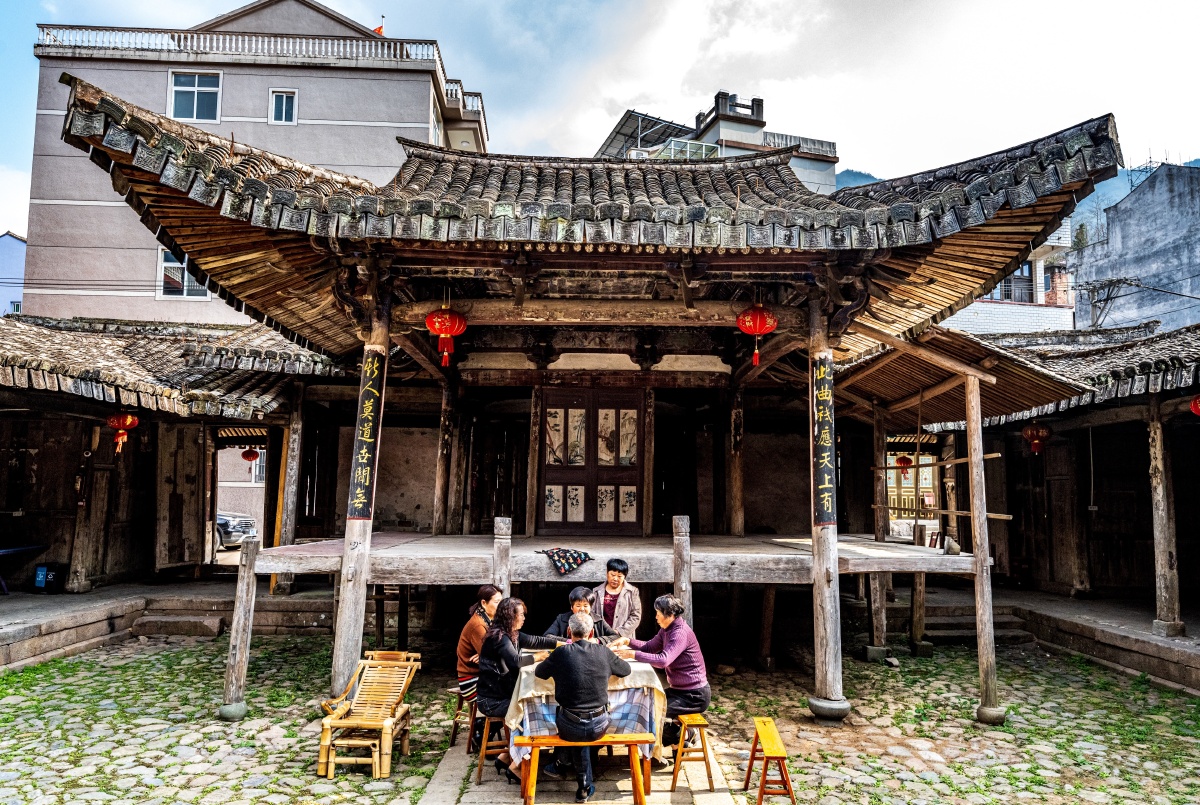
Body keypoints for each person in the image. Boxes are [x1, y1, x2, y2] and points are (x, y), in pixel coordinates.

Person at [535, 613, 631, 803]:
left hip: (569, 725)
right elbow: (626, 670)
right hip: (599, 724)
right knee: (586, 729)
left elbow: (540, 672)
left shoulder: (561, 653)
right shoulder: (603, 652)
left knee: (578, 729)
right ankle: (582, 782)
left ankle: (571, 771)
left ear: (569, 632)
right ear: (592, 632)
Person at [477, 597, 561, 781]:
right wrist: (537, 658)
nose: (523, 618)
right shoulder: (499, 637)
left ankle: (506, 757)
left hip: (504, 695)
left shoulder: (512, 634)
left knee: (533, 707)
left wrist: (563, 644)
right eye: (521, 614)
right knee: (531, 712)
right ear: (510, 616)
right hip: (491, 701)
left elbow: (536, 640)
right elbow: (516, 663)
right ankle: (517, 765)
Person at [615, 594, 709, 753]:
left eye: (659, 613)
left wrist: (633, 655)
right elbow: (650, 647)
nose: (656, 616)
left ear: (670, 615)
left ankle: (683, 737)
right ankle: (682, 739)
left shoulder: (680, 633)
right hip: (679, 691)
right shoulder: (667, 629)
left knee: (653, 711)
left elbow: (663, 660)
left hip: (694, 696)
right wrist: (627, 641)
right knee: (647, 703)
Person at [456, 584, 503, 703]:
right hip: (472, 682)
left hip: (483, 677)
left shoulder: (488, 619)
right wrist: (486, 655)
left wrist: (484, 654)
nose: (501, 606)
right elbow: (493, 657)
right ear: (484, 603)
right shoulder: (478, 625)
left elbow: (494, 649)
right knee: (512, 693)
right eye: (497, 602)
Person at [545, 586, 621, 644]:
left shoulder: (598, 620)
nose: (582, 609)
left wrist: (597, 640)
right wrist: (568, 641)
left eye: (585, 606)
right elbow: (547, 636)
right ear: (571, 607)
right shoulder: (562, 619)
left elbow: (615, 636)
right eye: (578, 606)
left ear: (591, 607)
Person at [592, 558, 641, 639]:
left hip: (623, 638)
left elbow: (636, 616)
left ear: (624, 576)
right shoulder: (596, 591)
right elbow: (592, 614)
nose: (615, 579)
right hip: (601, 636)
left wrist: (620, 631)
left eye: (619, 576)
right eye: (613, 575)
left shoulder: (632, 592)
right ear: (607, 573)